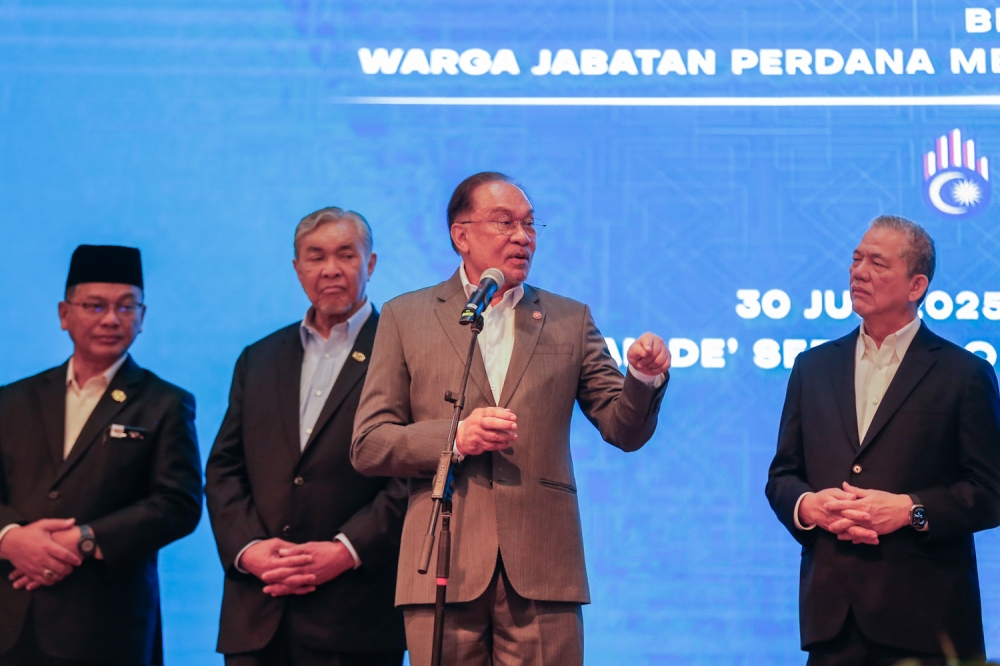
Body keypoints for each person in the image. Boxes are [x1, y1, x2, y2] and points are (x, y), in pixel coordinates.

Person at [351, 172, 672, 666]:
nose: (523, 237)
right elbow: (370, 443)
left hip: (544, 566)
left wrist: (643, 379)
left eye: (530, 225)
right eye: (504, 222)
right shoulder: (405, 316)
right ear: (461, 235)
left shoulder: (570, 319)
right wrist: (454, 438)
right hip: (444, 559)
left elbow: (622, 428)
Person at [766, 215, 1000, 664]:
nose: (859, 272)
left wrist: (910, 510)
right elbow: (783, 476)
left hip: (927, 626)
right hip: (832, 622)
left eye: (877, 263)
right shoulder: (812, 368)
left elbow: (989, 494)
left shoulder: (963, 374)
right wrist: (808, 507)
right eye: (855, 260)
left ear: (916, 285)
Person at [206, 207, 408, 666]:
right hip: (257, 612)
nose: (330, 269)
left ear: (370, 264)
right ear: (297, 268)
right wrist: (250, 550)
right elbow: (224, 469)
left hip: (356, 614)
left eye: (345, 254)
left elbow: (415, 473)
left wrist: (345, 550)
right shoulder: (258, 358)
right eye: (315, 257)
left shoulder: (403, 352)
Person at [0, 244, 203, 666]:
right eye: (95, 306)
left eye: (126, 307)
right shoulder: (12, 400)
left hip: (107, 625)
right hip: (14, 616)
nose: (111, 319)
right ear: (64, 314)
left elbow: (179, 504)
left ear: (142, 317)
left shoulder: (164, 402)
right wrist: (11, 538)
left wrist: (87, 539)